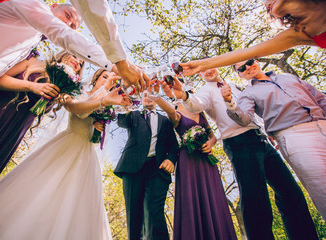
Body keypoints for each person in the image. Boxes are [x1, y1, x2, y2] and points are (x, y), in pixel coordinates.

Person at [0, 69, 129, 240]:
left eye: (111, 79)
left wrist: (96, 128)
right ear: (96, 78)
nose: (108, 80)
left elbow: (94, 139)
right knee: (42, 194)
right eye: (104, 76)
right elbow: (76, 109)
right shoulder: (76, 91)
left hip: (87, 156)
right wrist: (103, 98)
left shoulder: (106, 103)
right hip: (66, 147)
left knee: (79, 204)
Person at [164, 69, 318, 239]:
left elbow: (254, 112)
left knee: (290, 192)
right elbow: (196, 104)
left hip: (261, 140)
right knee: (256, 202)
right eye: (203, 71)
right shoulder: (205, 91)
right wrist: (185, 96)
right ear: (199, 75)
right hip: (239, 144)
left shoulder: (238, 87)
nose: (208, 72)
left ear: (217, 67)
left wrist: (267, 130)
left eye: (210, 67)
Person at [0, 51, 84, 206]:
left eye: (82, 64)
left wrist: (103, 101)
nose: (78, 62)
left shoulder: (63, 91)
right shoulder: (33, 62)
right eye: (75, 56)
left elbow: (77, 107)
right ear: (65, 53)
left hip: (11, 131)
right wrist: (32, 86)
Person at [222, 58, 326, 221]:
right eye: (242, 68)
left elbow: (319, 98)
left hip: (322, 123)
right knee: (322, 187)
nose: (248, 67)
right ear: (240, 76)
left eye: (249, 62)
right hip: (295, 136)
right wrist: (229, 102)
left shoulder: (288, 77)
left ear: (256, 60)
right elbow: (244, 118)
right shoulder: (248, 94)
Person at [0, 0, 148, 92]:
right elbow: (63, 34)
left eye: (73, 27)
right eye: (68, 16)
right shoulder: (32, 5)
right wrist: (117, 65)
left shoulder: (30, 45)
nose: (67, 25)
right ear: (54, 6)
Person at [149, 83, 237, 240]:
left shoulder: (200, 112)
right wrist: (155, 95)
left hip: (207, 161)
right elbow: (169, 110)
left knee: (213, 197)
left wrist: (210, 143)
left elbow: (212, 135)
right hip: (188, 161)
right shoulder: (176, 113)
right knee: (192, 199)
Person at [179, 0, 326, 77]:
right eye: (265, 4)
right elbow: (249, 52)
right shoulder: (299, 34)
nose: (266, 2)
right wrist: (203, 65)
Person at [114, 92, 179, 240]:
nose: (148, 97)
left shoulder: (166, 121)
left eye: (151, 95)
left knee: (154, 210)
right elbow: (122, 121)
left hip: (158, 169)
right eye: (145, 95)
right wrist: (126, 105)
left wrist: (171, 160)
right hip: (132, 168)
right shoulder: (133, 115)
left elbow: (174, 146)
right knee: (134, 213)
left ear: (156, 98)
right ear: (141, 99)